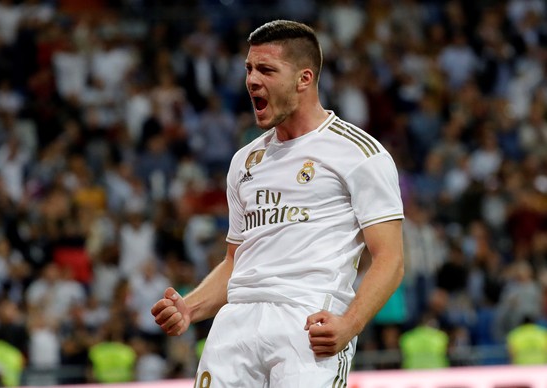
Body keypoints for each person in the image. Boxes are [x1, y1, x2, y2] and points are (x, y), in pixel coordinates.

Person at [151, 19, 404, 387]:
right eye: (249, 69)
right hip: (234, 326)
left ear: (304, 79)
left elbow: (391, 259)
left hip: (307, 325)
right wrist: (190, 307)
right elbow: (235, 262)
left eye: (266, 70)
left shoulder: (358, 153)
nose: (252, 80)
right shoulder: (244, 161)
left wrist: (349, 325)